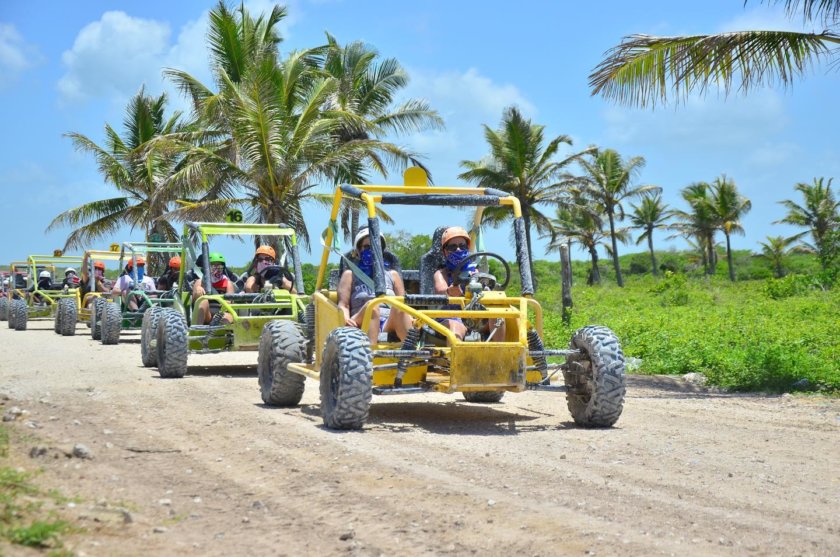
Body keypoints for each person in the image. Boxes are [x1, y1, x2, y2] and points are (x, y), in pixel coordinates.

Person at [337, 227, 410, 345]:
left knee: (400, 307)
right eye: (367, 247)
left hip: (388, 321)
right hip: (361, 319)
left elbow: (404, 303)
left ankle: (411, 354)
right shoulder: (350, 275)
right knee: (373, 307)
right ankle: (370, 356)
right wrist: (345, 319)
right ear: (358, 250)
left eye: (376, 247)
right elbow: (343, 304)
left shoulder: (392, 275)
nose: (372, 251)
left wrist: (410, 317)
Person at [433, 226, 506, 342]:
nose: (458, 250)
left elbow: (483, 290)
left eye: (462, 246)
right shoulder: (442, 273)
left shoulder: (475, 271)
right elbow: (440, 290)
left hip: (474, 316)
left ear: (467, 248)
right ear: (445, 251)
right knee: (455, 329)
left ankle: (500, 355)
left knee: (498, 315)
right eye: (453, 247)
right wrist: (449, 291)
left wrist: (486, 292)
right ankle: (456, 359)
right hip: (451, 316)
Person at [191, 252, 235, 325]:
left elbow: (231, 301)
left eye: (219, 265)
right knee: (202, 300)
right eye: (213, 265)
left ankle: (229, 334)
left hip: (221, 312)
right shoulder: (200, 282)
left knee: (227, 316)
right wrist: (198, 290)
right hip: (206, 314)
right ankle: (197, 330)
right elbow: (194, 300)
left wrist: (228, 302)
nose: (216, 268)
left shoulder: (228, 283)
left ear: (223, 267)